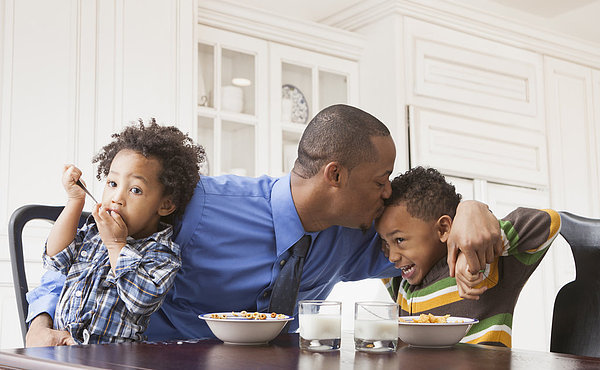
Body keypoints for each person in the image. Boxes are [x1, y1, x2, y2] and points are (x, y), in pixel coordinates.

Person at [26, 105, 502, 346]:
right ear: (335, 176)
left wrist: (470, 208)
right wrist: (40, 321)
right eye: (380, 180)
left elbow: (426, 239)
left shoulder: (357, 237)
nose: (386, 192)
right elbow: (84, 252)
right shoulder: (198, 205)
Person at [41, 119, 204, 344]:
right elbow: (56, 259)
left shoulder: (161, 253)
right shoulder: (93, 234)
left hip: (114, 360)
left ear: (165, 205)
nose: (117, 198)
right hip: (62, 352)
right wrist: (74, 201)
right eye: (112, 183)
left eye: (135, 190)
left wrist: (116, 245)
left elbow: (142, 300)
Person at [377, 166, 561, 347]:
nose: (392, 256)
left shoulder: (484, 266)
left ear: (443, 229)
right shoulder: (401, 285)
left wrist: (471, 248)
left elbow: (550, 221)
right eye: (385, 243)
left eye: (399, 239)